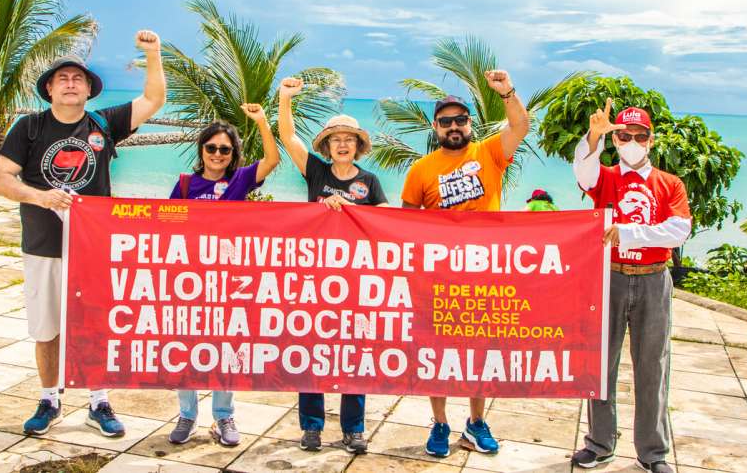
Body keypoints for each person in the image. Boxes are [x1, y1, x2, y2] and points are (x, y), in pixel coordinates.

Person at [0, 30, 166, 437]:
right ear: (49, 89)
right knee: (46, 329)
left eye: (78, 79)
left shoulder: (103, 123)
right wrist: (40, 197)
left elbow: (154, 99)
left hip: (93, 249)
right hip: (43, 246)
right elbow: (2, 179)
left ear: (89, 90)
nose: (70, 84)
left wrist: (154, 52)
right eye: (63, 79)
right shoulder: (29, 128)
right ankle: (49, 399)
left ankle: (98, 401)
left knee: (95, 327)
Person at [400, 70, 529, 458]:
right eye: (446, 122)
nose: (454, 127)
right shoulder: (421, 169)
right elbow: (404, 224)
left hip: (484, 273)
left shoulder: (489, 152)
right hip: (438, 277)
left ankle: (476, 423)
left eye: (460, 120)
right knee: (436, 351)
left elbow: (520, 126)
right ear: (436, 127)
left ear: (470, 123)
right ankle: (440, 423)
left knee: (480, 351)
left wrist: (506, 92)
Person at [570, 99, 690, 473]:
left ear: (651, 140)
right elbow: (584, 172)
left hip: (654, 278)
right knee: (600, 363)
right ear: (616, 140)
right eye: (624, 136)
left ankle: (653, 452)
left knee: (653, 365)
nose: (632, 142)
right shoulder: (606, 178)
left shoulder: (669, 184)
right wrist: (594, 135)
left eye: (640, 136)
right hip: (609, 276)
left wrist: (628, 232)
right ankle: (599, 443)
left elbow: (678, 230)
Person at [277, 76, 389, 454]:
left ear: (358, 146)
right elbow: (288, 138)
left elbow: (388, 222)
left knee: (353, 354)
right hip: (314, 279)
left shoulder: (370, 181)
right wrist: (285, 98)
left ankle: (353, 429)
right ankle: (311, 426)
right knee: (311, 352)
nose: (343, 144)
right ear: (327, 146)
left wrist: (352, 209)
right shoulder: (317, 172)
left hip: (355, 281)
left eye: (349, 139)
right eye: (336, 139)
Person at [167, 105, 280, 446]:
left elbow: (272, 159)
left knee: (225, 347)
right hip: (189, 280)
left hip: (229, 280)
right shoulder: (185, 184)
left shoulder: (240, 180)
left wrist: (262, 121)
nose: (217, 154)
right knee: (185, 346)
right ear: (202, 150)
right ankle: (187, 415)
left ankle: (223, 415)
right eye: (211, 147)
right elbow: (164, 226)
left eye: (225, 149)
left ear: (233, 155)